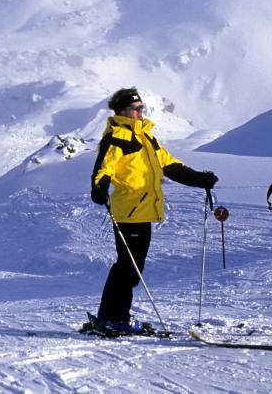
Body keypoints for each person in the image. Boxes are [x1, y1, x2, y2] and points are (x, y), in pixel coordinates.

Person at [85, 87, 218, 337]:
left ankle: (111, 317)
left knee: (129, 267)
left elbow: (169, 165)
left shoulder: (146, 137)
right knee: (128, 268)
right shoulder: (117, 137)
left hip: (144, 211)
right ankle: (114, 318)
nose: (139, 112)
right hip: (129, 211)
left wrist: (200, 179)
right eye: (135, 108)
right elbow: (103, 169)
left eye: (141, 108)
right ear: (122, 111)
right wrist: (99, 187)